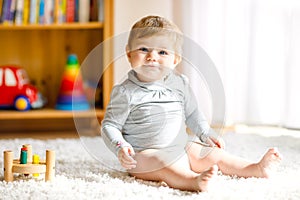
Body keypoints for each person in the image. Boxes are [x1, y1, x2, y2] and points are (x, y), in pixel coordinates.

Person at [101, 15, 282, 192]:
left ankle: (255, 168)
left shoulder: (180, 83)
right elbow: (110, 125)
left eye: (162, 52)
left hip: (180, 147)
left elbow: (192, 113)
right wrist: (120, 147)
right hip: (144, 155)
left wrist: (205, 132)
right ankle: (192, 181)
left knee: (210, 153)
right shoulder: (125, 92)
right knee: (162, 163)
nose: (152, 57)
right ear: (129, 53)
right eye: (143, 49)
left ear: (176, 59)